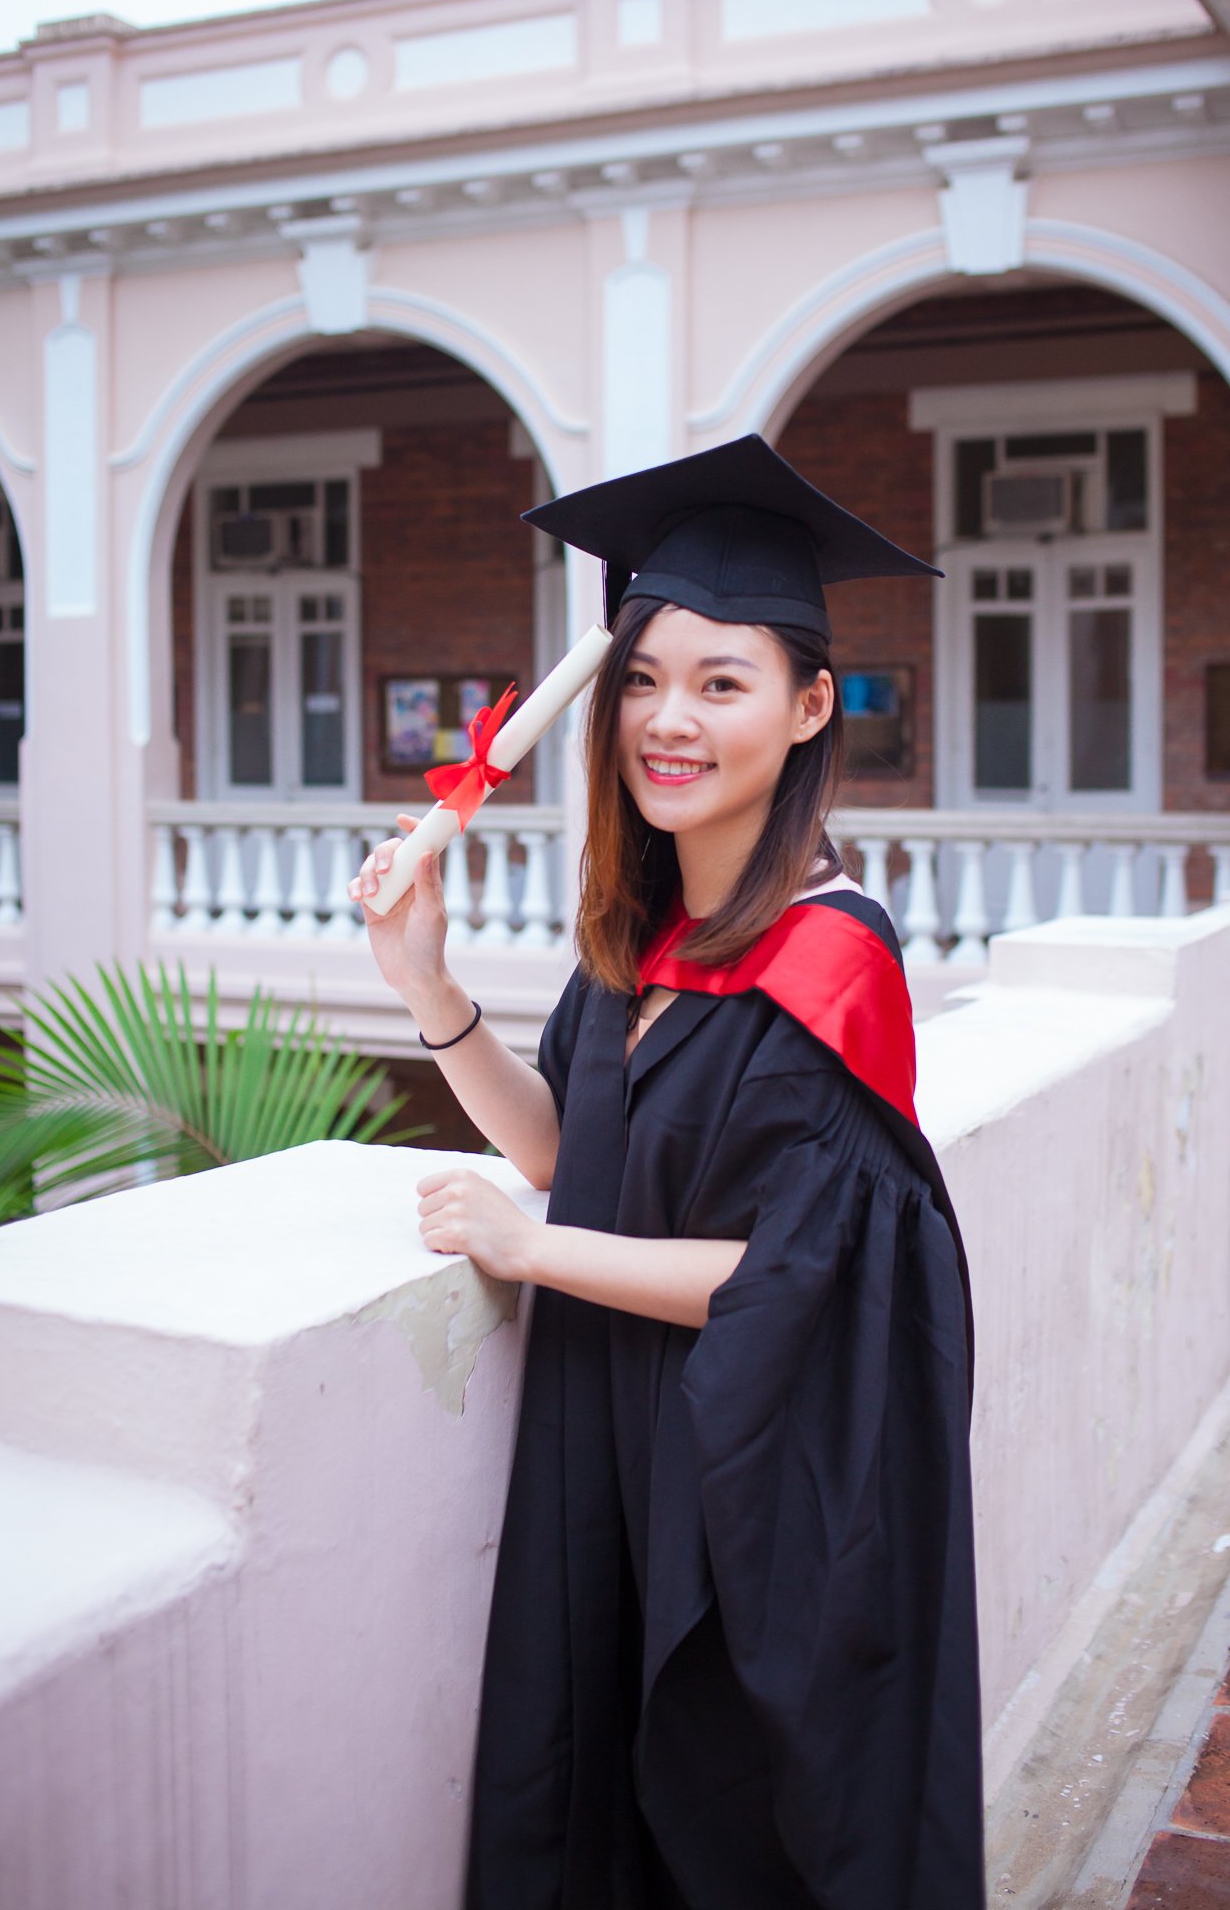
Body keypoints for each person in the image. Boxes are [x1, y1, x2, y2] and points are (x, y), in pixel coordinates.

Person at [350, 435, 985, 1910]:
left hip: (757, 1495)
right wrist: (427, 986)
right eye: (642, 678)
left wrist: (529, 1250)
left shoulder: (833, 963)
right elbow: (577, 1149)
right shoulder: (644, 941)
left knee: (741, 1829)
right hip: (622, 1454)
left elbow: (788, 1280)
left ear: (810, 704)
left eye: (720, 682)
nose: (667, 721)